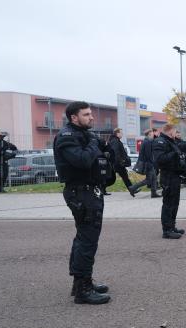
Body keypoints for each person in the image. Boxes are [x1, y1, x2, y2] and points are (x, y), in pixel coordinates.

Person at [53, 101, 112, 304]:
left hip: (89, 191)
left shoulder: (84, 135)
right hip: (80, 193)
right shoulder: (66, 137)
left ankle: (81, 282)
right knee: (87, 240)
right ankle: (83, 291)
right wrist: (95, 144)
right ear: (74, 117)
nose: (92, 117)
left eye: (91, 114)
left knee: (85, 238)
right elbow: (82, 160)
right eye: (86, 115)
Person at [153, 124, 186, 238]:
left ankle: (172, 226)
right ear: (170, 131)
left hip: (175, 175)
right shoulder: (160, 142)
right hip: (167, 177)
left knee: (175, 203)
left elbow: (177, 157)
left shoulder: (171, 142)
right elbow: (159, 160)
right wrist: (174, 154)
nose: (176, 133)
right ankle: (167, 230)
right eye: (175, 131)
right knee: (168, 204)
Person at [129, 129, 161, 198]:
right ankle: (132, 188)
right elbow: (148, 154)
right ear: (149, 133)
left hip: (148, 163)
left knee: (154, 178)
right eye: (152, 133)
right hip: (148, 164)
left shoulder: (146, 141)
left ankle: (154, 193)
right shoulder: (147, 142)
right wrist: (152, 163)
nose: (153, 134)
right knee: (148, 180)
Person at [108, 128, 135, 196]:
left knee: (124, 177)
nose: (122, 134)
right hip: (117, 163)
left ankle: (132, 189)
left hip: (117, 163)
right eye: (121, 133)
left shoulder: (116, 140)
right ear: (117, 133)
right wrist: (121, 161)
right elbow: (116, 153)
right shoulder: (115, 141)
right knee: (114, 177)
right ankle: (132, 189)